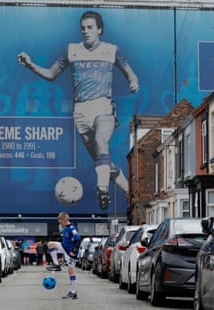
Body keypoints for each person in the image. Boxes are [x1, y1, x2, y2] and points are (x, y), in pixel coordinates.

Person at [18, 11, 139, 210]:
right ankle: (129, 192)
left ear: (99, 29)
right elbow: (51, 74)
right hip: (81, 110)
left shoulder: (111, 50)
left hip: (103, 105)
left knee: (102, 142)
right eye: (83, 28)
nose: (86, 31)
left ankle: (102, 190)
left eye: (90, 27)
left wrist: (133, 81)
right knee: (103, 161)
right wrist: (30, 65)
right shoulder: (71, 50)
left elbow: (130, 72)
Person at [46, 212, 81, 299]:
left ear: (65, 220)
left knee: (71, 271)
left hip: (70, 252)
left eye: (61, 223)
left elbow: (78, 240)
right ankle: (56, 264)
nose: (60, 225)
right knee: (50, 244)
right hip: (64, 247)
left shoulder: (72, 228)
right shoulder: (65, 228)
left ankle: (73, 292)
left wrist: (74, 251)